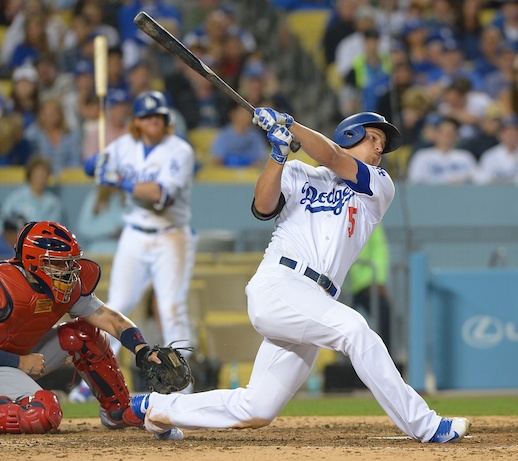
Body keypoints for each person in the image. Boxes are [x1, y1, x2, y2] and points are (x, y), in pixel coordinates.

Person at [128, 108, 471, 443]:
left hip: (315, 300)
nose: (380, 147)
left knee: (256, 408)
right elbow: (262, 207)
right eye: (373, 138)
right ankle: (425, 425)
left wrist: (290, 125)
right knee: (355, 330)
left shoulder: (379, 184)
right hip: (279, 284)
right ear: (351, 135)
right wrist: (277, 156)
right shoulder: (296, 172)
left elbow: (334, 157)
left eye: (382, 141)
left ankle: (156, 406)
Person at [0, 220, 174, 435]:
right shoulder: (3, 286)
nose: (67, 271)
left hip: (21, 360)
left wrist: (142, 349)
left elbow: (110, 318)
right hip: (12, 362)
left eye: (69, 263)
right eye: (58, 263)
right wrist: (17, 361)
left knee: (81, 334)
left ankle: (116, 411)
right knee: (41, 414)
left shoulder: (66, 288)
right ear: (32, 262)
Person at [85, 89, 196, 366]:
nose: (153, 121)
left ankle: (183, 381)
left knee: (171, 309)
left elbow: (160, 194)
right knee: (117, 306)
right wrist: (96, 165)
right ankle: (96, 379)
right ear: (137, 120)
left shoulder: (180, 151)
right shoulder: (124, 146)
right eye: (147, 116)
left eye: (158, 115)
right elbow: (90, 166)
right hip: (133, 234)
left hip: (171, 236)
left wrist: (118, 179)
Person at [407, 116, 478, 185]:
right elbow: (415, 182)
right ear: (436, 134)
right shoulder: (422, 156)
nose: (447, 136)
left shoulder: (465, 156)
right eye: (443, 132)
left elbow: (478, 179)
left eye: (451, 132)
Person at [1, 155, 63, 223]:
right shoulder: (15, 199)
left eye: (43, 175)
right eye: (37, 175)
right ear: (30, 175)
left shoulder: (53, 203)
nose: (40, 179)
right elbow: (5, 220)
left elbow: (56, 227)